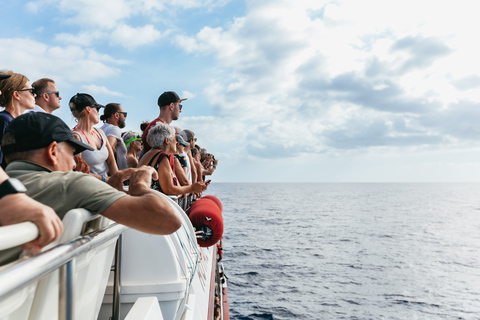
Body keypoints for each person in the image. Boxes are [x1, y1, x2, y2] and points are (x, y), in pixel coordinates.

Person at [1, 112, 181, 264]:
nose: (74, 163)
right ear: (53, 152)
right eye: (73, 153)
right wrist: (140, 185)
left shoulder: (9, 196)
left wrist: (108, 189)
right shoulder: (70, 184)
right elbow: (168, 220)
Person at [138, 122, 206, 196]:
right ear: (167, 141)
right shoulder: (161, 156)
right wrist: (192, 188)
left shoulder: (148, 155)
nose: (176, 142)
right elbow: (169, 189)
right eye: (175, 138)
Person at [70, 93, 118, 181]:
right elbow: (78, 172)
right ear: (88, 109)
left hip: (107, 184)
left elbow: (111, 161)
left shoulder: (100, 133)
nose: (98, 113)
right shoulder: (76, 137)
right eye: (97, 108)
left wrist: (117, 182)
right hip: (89, 188)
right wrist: (105, 179)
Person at [0, 71, 36, 169]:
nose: (35, 95)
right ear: (16, 95)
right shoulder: (4, 120)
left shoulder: (14, 122)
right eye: (31, 91)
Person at [100, 103, 128, 170]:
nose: (125, 117)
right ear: (116, 115)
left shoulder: (100, 129)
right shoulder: (114, 129)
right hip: (114, 176)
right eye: (124, 114)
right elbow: (109, 149)